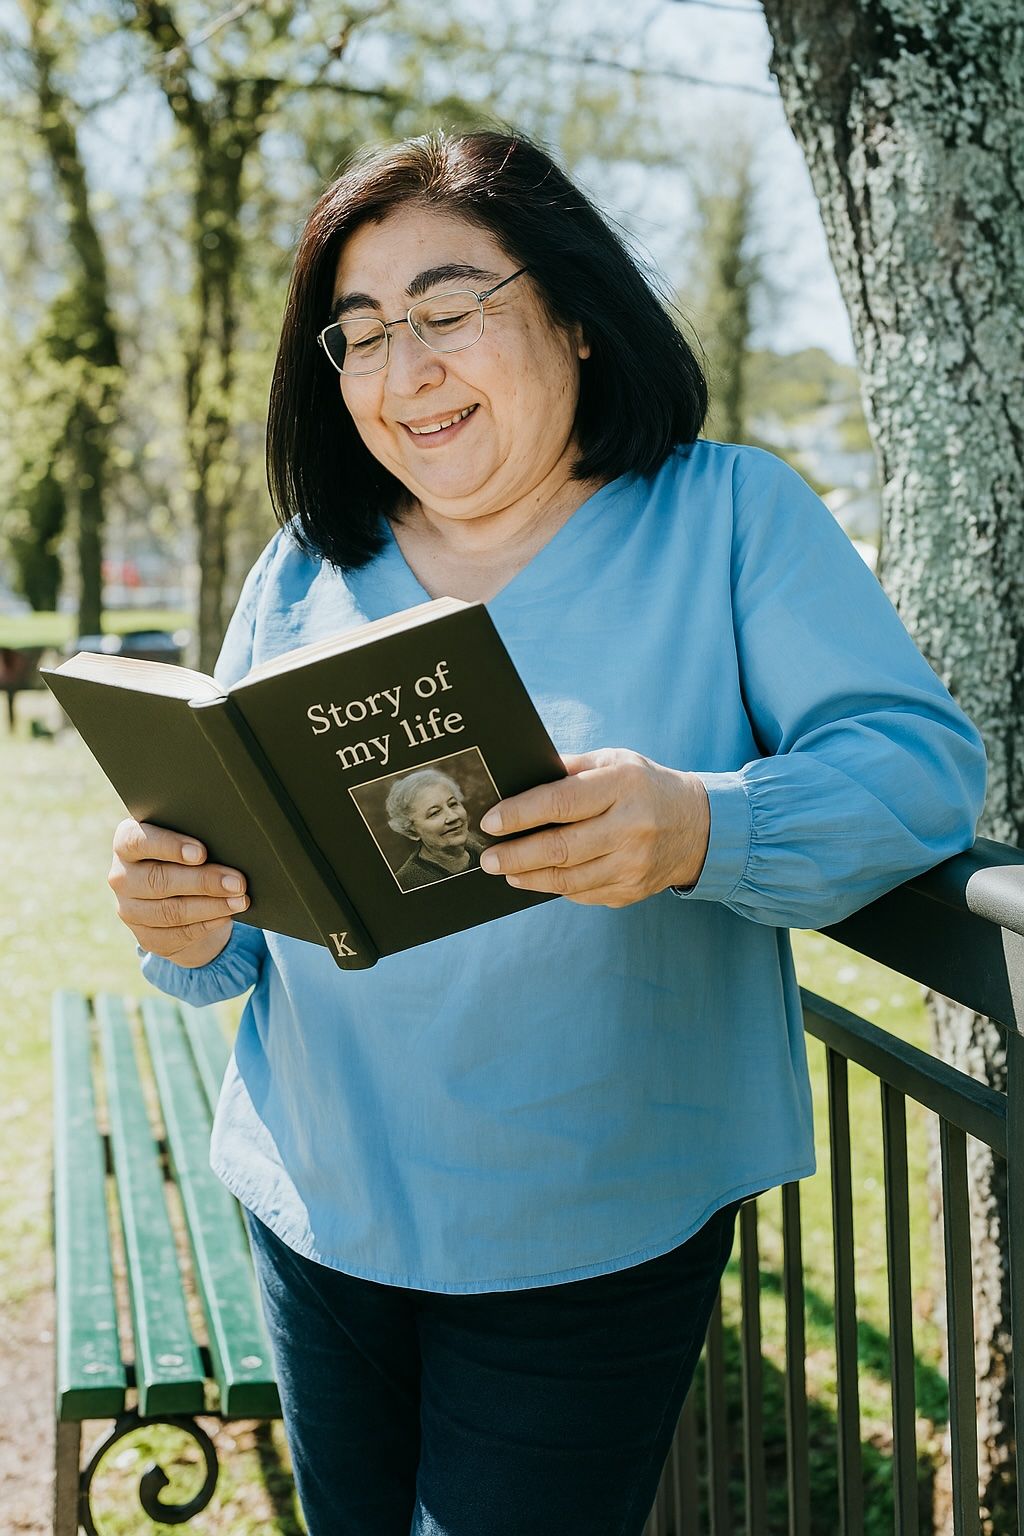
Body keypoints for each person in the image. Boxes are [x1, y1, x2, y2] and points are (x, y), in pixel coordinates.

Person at [106, 129, 987, 1536]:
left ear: (576, 315)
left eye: (449, 309)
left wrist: (704, 828)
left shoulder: (730, 513)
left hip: (590, 1224)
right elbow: (242, 917)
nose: (405, 370)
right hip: (313, 1194)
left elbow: (923, 769)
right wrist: (186, 922)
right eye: (362, 333)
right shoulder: (304, 563)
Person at [384, 768, 486, 890]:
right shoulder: (407, 883)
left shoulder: (483, 847)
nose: (453, 817)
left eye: (453, 804)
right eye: (435, 813)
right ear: (411, 832)